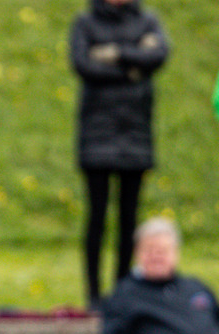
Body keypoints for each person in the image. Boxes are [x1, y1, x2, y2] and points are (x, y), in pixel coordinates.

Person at [69, 0, 168, 309]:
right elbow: (83, 65)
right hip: (96, 135)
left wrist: (114, 54)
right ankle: (94, 295)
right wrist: (134, 66)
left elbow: (159, 55)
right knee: (96, 218)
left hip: (136, 135)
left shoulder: (147, 20)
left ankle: (124, 292)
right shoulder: (85, 23)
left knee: (129, 220)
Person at [101, 218, 219, 334]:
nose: (156, 256)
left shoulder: (196, 288)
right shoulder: (125, 294)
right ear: (137, 253)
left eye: (163, 251)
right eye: (149, 250)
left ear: (175, 253)